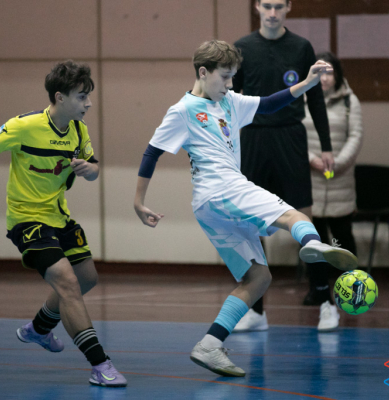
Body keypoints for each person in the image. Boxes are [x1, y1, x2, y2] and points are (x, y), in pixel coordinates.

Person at [134, 40, 357, 377]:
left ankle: (210, 345)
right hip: (223, 190)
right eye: (225, 77)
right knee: (296, 216)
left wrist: (307, 83)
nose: (230, 83)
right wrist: (138, 201)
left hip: (208, 208)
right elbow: (152, 153)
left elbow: (270, 103)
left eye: (233, 77)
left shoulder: (231, 101)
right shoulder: (182, 110)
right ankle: (312, 245)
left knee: (258, 278)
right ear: (203, 72)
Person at [0, 61, 127, 386]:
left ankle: (38, 329)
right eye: (81, 96)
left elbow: (93, 167)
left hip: (59, 217)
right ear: (59, 96)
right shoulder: (23, 126)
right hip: (27, 219)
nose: (88, 103)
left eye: (88, 96)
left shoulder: (78, 130)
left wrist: (90, 170)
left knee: (87, 278)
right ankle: (100, 365)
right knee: (67, 283)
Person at [231, 0, 334, 332]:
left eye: (279, 6)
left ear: (289, 7)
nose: (272, 12)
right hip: (254, 140)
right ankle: (257, 310)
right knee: (250, 226)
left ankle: (326, 301)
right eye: (267, 5)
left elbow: (315, 98)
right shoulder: (242, 48)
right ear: (257, 7)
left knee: (304, 221)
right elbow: (229, 100)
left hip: (291, 138)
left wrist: (327, 146)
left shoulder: (302, 47)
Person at [304, 51, 363, 330]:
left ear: (337, 74)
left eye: (329, 71)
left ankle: (350, 291)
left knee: (341, 240)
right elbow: (295, 135)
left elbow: (356, 136)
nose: (325, 77)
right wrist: (312, 160)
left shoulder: (351, 101)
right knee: (312, 241)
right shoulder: (301, 98)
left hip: (340, 179)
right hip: (310, 179)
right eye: (320, 72)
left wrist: (336, 164)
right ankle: (318, 291)